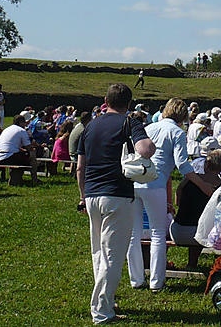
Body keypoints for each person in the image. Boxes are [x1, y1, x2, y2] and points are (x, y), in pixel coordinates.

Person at [76, 83, 154, 325]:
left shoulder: (89, 127)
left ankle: (106, 300)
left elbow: (80, 166)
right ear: (128, 104)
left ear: (105, 100)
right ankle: (101, 310)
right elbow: (146, 149)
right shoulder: (129, 122)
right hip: (116, 194)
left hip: (91, 194)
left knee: (98, 252)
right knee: (113, 255)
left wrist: (82, 195)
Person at [128, 97, 213, 289]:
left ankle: (136, 279)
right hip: (154, 184)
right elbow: (182, 164)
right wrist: (202, 184)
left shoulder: (149, 128)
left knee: (134, 233)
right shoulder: (176, 132)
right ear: (183, 116)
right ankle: (156, 282)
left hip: (135, 182)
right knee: (158, 233)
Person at [169, 149, 221, 268]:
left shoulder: (190, 180)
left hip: (177, 231)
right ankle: (192, 263)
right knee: (202, 226)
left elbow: (177, 199)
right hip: (200, 236)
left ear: (206, 164)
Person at [0, 115, 40, 185]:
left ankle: (16, 178)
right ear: (21, 123)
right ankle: (34, 179)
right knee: (32, 155)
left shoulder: (6, 129)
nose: (25, 124)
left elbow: (10, 145)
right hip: (8, 157)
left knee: (21, 156)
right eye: (24, 122)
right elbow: (29, 147)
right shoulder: (22, 130)